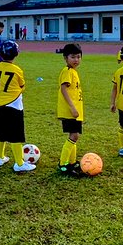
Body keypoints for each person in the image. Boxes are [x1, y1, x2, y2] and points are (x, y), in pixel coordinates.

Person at [0, 39, 35, 172]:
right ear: (16, 54)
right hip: (14, 105)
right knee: (16, 135)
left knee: (0, 132)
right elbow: (22, 86)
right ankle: (19, 164)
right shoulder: (17, 70)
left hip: (0, 104)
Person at [56, 43, 85, 175]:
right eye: (73, 57)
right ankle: (63, 164)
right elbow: (63, 89)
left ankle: (72, 161)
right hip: (70, 111)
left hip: (75, 111)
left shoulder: (73, 72)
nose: (76, 60)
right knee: (74, 135)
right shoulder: (67, 71)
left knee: (74, 135)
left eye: (78, 57)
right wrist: (72, 107)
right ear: (65, 58)